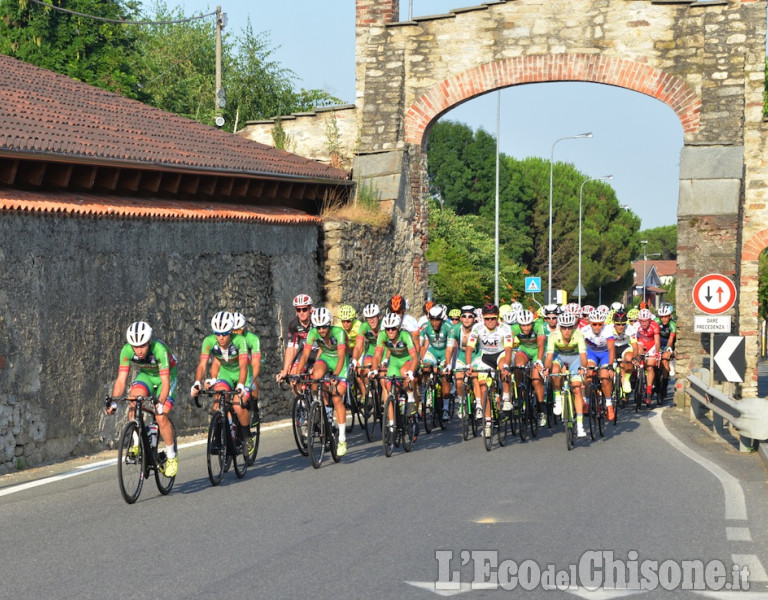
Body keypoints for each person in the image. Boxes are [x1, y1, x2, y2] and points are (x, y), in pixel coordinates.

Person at [107, 321, 179, 477]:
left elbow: (165, 382)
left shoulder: (159, 350)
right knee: (133, 399)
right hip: (146, 375)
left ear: (150, 341)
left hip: (165, 377)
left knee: (160, 416)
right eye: (135, 346)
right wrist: (114, 401)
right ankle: (136, 443)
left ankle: (172, 457)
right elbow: (121, 380)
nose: (139, 351)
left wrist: (160, 403)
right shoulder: (126, 351)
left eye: (143, 346)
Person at [191, 311, 252, 452]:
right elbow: (202, 364)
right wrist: (197, 382)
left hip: (243, 374)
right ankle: (217, 439)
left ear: (231, 331)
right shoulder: (209, 341)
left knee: (237, 406)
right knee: (218, 402)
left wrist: (241, 385)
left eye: (224, 333)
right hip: (226, 373)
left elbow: (243, 366)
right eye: (217, 333)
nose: (221, 337)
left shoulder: (239, 341)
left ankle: (247, 436)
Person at [294, 307, 350, 457]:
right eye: (318, 327)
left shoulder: (339, 333)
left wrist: (336, 374)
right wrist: (298, 374)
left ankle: (342, 439)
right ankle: (320, 407)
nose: (321, 330)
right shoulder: (313, 333)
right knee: (315, 376)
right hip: (325, 357)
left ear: (329, 324)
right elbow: (305, 356)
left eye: (324, 326)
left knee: (337, 397)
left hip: (340, 362)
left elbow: (341, 357)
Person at [368, 312, 420, 437]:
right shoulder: (382, 335)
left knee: (404, 372)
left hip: (408, 360)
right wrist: (374, 370)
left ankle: (411, 400)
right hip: (395, 362)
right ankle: (391, 424)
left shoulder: (405, 335)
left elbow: (415, 358)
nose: (390, 331)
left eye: (393, 328)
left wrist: (411, 372)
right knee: (389, 388)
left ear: (398, 328)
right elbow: (377, 355)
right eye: (388, 329)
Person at [465, 303, 513, 437]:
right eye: (487, 318)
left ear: (497, 318)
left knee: (504, 367)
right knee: (484, 388)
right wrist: (468, 364)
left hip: (501, 354)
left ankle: (507, 398)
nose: (490, 321)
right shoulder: (477, 328)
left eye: (493, 318)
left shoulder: (505, 328)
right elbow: (469, 347)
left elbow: (509, 349)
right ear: (483, 318)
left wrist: (507, 365)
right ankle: (487, 423)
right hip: (485, 357)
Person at [544, 312, 589, 437]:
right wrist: (546, 369)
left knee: (577, 388)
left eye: (570, 327)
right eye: (564, 327)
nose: (567, 331)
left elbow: (583, 357)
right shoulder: (553, 336)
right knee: (554, 371)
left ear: (573, 327)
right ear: (560, 327)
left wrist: (583, 367)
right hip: (559, 358)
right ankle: (558, 397)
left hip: (575, 359)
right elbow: (548, 357)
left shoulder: (579, 335)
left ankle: (580, 425)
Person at [505, 309, 548, 426]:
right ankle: (519, 393)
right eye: (523, 325)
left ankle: (540, 408)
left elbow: (540, 345)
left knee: (536, 379)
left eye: (528, 324)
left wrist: (539, 361)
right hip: (523, 349)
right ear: (519, 324)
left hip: (536, 351)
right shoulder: (514, 328)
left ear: (532, 323)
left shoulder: (538, 326)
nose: (526, 328)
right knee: (518, 366)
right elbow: (507, 342)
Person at [444, 305, 481, 418]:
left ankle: (479, 405)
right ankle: (462, 403)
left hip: (476, 354)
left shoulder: (479, 328)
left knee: (475, 376)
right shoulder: (455, 329)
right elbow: (449, 348)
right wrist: (448, 364)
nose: (466, 319)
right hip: (462, 355)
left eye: (470, 316)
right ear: (460, 318)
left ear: (474, 318)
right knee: (458, 380)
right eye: (464, 316)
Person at [580, 306, 616, 421]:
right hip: (591, 353)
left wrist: (610, 366)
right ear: (590, 323)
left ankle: (609, 405)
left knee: (605, 376)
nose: (597, 327)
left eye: (600, 324)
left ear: (603, 323)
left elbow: (611, 349)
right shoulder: (584, 331)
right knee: (589, 373)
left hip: (605, 353)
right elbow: (581, 350)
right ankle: (588, 401)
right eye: (594, 324)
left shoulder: (608, 329)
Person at [420, 304, 454, 421]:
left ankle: (445, 408)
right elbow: (420, 345)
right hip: (433, 351)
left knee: (444, 375)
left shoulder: (449, 327)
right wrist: (420, 358)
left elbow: (451, 347)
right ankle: (426, 392)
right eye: (432, 320)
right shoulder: (425, 327)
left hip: (446, 351)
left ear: (442, 319)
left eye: (438, 320)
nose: (435, 323)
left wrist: (447, 363)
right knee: (424, 368)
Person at [276, 294, 316, 386]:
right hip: (305, 352)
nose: (301, 312)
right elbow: (292, 348)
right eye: (298, 310)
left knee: (318, 376)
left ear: (310, 309)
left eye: (304, 309)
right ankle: (300, 400)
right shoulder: (294, 324)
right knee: (293, 375)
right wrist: (285, 370)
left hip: (319, 351)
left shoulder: (316, 319)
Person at [232, 311, 261, 405]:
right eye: (232, 330)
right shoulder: (228, 338)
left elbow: (256, 363)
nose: (235, 332)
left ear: (243, 328)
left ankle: (254, 407)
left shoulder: (252, 339)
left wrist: (250, 381)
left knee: (252, 378)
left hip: (250, 361)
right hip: (235, 364)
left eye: (238, 330)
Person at [635, 307, 661, 405]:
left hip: (652, 344)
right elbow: (634, 341)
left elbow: (657, 342)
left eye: (646, 321)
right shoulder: (636, 326)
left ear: (650, 320)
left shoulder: (654, 325)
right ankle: (639, 376)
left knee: (650, 366)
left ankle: (649, 391)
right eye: (642, 321)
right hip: (641, 342)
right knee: (640, 354)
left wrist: (657, 353)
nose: (644, 323)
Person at [656, 303, 677, 378]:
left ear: (670, 316)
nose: (663, 319)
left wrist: (667, 349)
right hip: (659, 340)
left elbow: (671, 340)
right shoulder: (656, 321)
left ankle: (664, 386)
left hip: (668, 342)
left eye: (666, 317)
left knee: (664, 360)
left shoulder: (672, 324)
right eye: (661, 317)